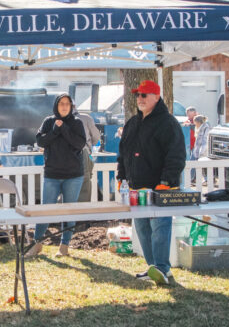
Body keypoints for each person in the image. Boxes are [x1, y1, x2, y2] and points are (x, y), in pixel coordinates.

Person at [117, 80, 186, 286]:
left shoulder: (168, 123)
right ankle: (153, 267)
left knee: (160, 228)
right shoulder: (132, 123)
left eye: (145, 95)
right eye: (138, 95)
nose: (140, 99)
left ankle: (162, 269)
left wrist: (166, 181)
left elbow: (176, 156)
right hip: (137, 187)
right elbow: (124, 152)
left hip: (160, 188)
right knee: (143, 229)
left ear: (157, 97)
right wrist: (122, 175)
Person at [27, 94, 87, 258]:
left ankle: (64, 245)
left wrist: (64, 129)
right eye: (61, 103)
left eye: (67, 104)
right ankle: (37, 243)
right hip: (52, 174)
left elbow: (80, 143)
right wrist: (55, 130)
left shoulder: (77, 123)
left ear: (71, 106)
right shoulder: (48, 121)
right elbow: (41, 142)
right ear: (56, 106)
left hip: (73, 175)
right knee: (46, 209)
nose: (64, 106)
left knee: (69, 210)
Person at [75, 109, 101, 203]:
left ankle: (68, 214)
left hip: (66, 155)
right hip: (83, 152)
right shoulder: (85, 117)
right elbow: (96, 136)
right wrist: (91, 150)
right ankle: (82, 214)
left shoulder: (58, 118)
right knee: (84, 183)